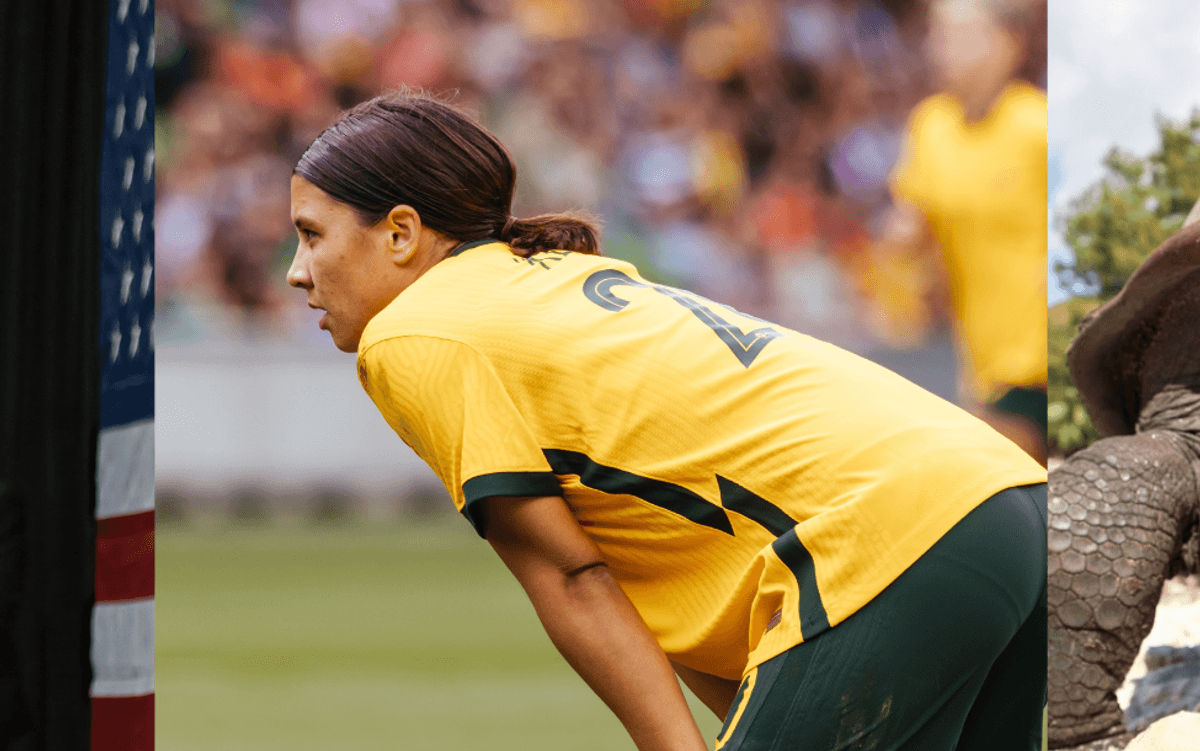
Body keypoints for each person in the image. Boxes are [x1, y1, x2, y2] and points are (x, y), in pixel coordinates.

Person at [286, 91, 1047, 751]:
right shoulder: (546, 273)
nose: (297, 270)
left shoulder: (414, 331)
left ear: (400, 233)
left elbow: (571, 576)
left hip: (893, 539)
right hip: (1009, 501)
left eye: (312, 234)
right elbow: (660, 562)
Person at [887, 0, 1049, 465]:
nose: (944, 48)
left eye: (962, 35)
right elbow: (909, 231)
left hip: (1052, 352)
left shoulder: (1036, 125)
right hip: (986, 363)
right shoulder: (930, 126)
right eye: (938, 35)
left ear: (1009, 44)